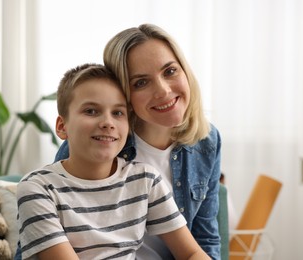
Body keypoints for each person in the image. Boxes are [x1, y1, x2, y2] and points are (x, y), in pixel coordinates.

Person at [55, 24, 222, 260]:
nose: (163, 91)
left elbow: (205, 239)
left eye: (170, 71)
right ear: (124, 94)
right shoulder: (98, 144)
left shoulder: (207, 141)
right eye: (141, 83)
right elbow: (51, 236)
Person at [16, 63, 210, 260]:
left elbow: (192, 253)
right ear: (62, 126)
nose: (107, 123)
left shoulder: (145, 179)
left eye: (118, 113)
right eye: (91, 111)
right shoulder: (37, 188)